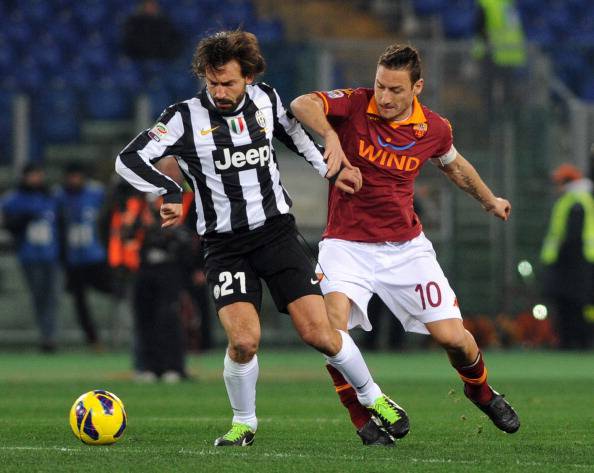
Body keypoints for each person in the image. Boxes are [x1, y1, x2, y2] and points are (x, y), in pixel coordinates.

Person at [115, 30, 408, 447]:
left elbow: (295, 137)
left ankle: (374, 397)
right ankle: (243, 423)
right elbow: (127, 159)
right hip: (224, 246)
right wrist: (171, 189)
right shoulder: (182, 118)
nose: (219, 91)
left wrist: (333, 169)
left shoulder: (267, 100)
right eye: (212, 82)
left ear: (248, 77)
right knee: (244, 341)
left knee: (319, 332)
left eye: (229, 83)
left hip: (276, 234)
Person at [291, 43, 520, 441]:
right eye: (381, 85)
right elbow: (301, 103)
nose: (385, 96)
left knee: (454, 339)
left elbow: (455, 165)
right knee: (331, 330)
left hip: (406, 248)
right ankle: (360, 415)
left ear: (417, 88)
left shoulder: (434, 127)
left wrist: (490, 200)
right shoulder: (356, 104)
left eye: (396, 89)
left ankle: (481, 392)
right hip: (345, 244)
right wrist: (329, 134)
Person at [0, 163, 60, 352]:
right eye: (33, 175)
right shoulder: (14, 199)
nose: (36, 179)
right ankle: (46, 335)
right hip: (29, 255)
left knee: (51, 297)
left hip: (50, 254)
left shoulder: (49, 196)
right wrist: (24, 219)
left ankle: (49, 336)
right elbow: (8, 224)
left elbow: (61, 224)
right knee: (40, 296)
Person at [56, 162, 111, 349]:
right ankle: (93, 340)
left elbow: (108, 218)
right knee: (79, 302)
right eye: (71, 176)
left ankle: (128, 329)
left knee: (115, 290)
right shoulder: (60, 197)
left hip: (95, 256)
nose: (74, 180)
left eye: (77, 176)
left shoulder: (96, 193)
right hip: (73, 259)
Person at [540, 163, 594, 349]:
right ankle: (573, 340)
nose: (556, 187)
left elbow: (572, 235)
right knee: (572, 303)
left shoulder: (576, 201)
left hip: (574, 262)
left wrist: (560, 257)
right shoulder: (574, 199)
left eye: (559, 182)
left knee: (574, 303)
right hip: (575, 262)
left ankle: (576, 341)